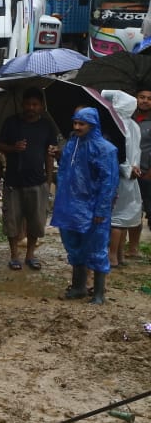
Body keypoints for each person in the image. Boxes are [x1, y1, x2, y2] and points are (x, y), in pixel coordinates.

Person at [50, 107, 119, 303]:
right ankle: (79, 287)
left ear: (93, 125)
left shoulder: (106, 149)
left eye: (82, 124)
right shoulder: (72, 145)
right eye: (75, 123)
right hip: (71, 207)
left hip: (93, 207)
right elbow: (64, 174)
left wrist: (102, 209)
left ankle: (98, 293)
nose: (77, 127)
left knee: (97, 247)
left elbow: (109, 182)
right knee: (74, 247)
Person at [0, 87, 61, 271]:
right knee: (12, 220)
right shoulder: (11, 122)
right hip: (13, 181)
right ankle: (14, 255)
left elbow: (50, 154)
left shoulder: (46, 126)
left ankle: (30, 254)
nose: (31, 107)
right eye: (28, 104)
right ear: (22, 104)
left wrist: (48, 181)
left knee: (36, 221)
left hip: (37, 181)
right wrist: (13, 148)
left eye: (35, 104)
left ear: (41, 106)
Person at [103, 90, 143, 268]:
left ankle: (112, 256)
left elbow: (117, 154)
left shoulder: (116, 126)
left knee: (116, 219)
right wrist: (135, 168)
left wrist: (127, 169)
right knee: (125, 216)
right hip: (132, 175)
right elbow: (137, 151)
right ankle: (119, 255)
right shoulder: (133, 125)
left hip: (118, 175)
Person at [134, 86, 151, 260]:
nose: (145, 101)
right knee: (133, 212)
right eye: (141, 97)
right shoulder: (129, 118)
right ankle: (133, 247)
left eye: (149, 98)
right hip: (132, 174)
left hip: (148, 174)